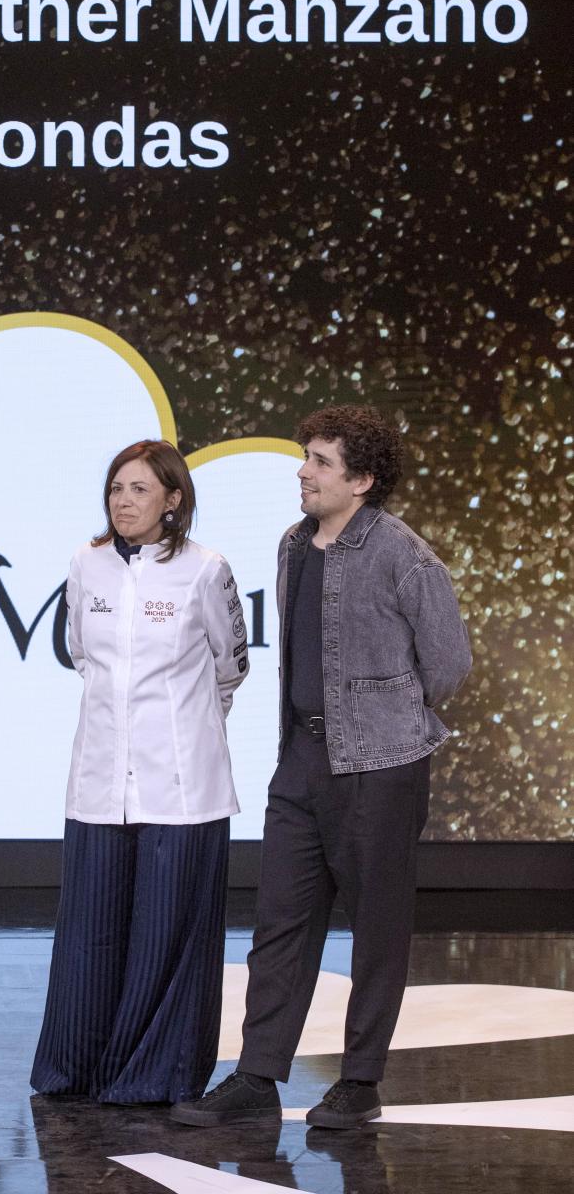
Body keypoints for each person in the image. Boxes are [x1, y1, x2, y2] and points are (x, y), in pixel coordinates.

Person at [171, 406, 472, 1132]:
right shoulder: (292, 544)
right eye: (306, 457)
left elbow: (450, 664)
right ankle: (257, 1075)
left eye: (321, 462)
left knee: (376, 928)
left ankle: (360, 1081)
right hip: (301, 764)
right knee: (278, 926)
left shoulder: (403, 554)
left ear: (362, 480)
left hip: (381, 767)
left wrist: (386, 715)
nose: (303, 472)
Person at [31, 438, 249, 1105]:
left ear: (173, 499)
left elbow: (230, 665)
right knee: (90, 935)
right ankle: (78, 1068)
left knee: (167, 937)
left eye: (140, 490)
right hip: (98, 781)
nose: (124, 502)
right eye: (116, 489)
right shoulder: (85, 564)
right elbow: (77, 653)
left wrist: (187, 726)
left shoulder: (206, 571)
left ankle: (155, 1076)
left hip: (182, 790)